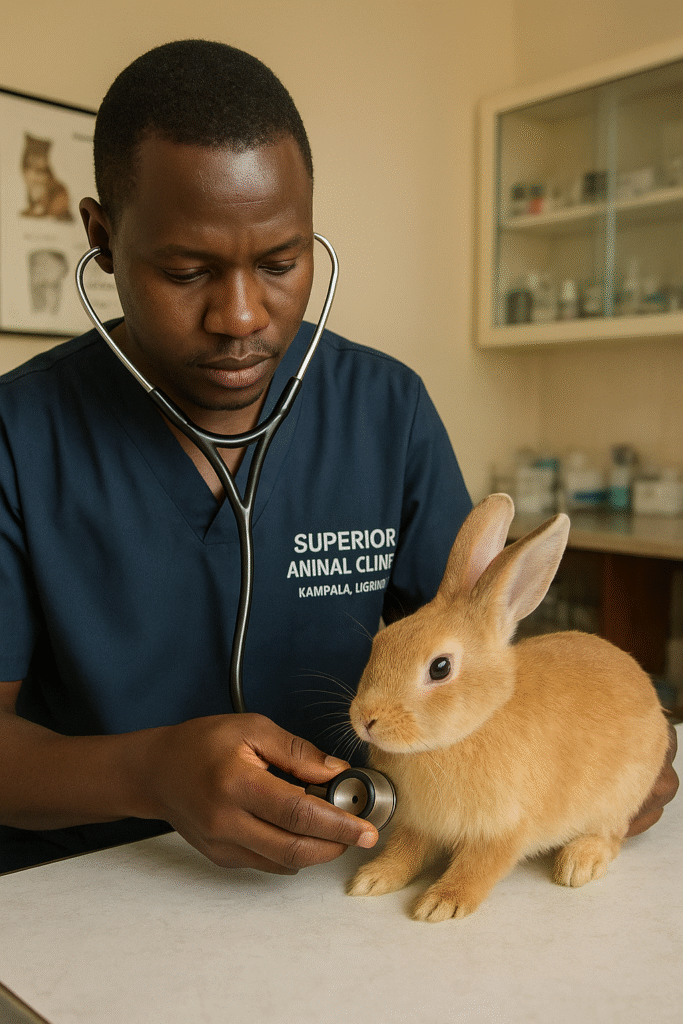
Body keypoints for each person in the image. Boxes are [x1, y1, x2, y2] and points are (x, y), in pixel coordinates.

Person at [0, 41, 676, 875]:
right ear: (102, 240)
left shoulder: (386, 410)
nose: (241, 316)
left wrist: (600, 753)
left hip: (348, 863)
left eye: (281, 263)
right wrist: (150, 774)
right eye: (185, 270)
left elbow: (471, 653)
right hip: (88, 882)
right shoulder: (18, 435)